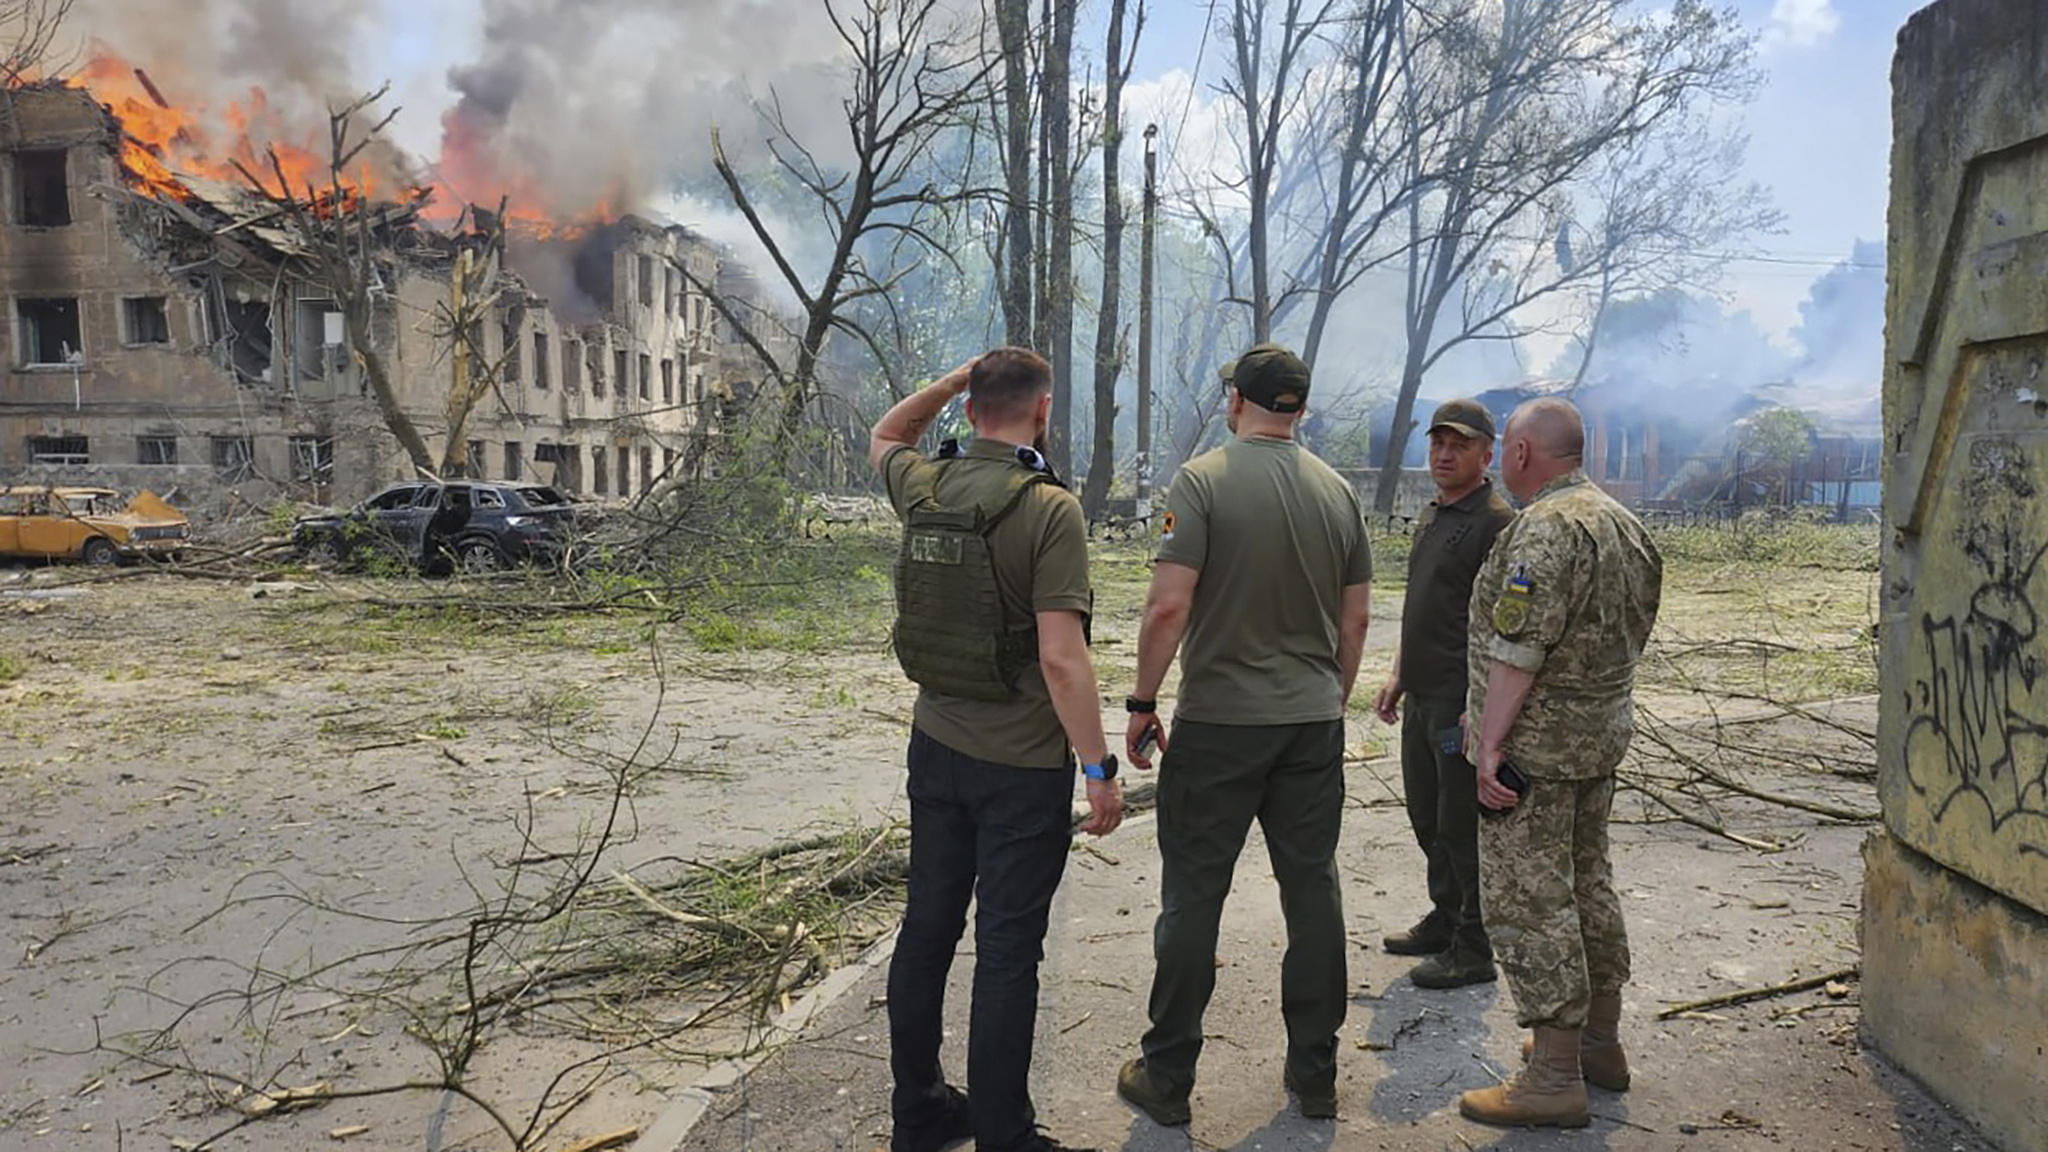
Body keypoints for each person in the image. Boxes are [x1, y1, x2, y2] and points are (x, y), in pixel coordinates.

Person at [870, 348, 1123, 1152]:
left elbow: (886, 434)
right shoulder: (1049, 509)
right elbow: (1062, 659)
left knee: (926, 930)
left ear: (972, 409)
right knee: (1008, 952)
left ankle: (919, 1115)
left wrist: (950, 382)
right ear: (1042, 411)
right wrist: (1098, 769)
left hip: (935, 748)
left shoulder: (926, 483)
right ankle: (1003, 1136)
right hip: (1021, 769)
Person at [1114, 343, 1373, 1126]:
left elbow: (1168, 606)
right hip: (1310, 724)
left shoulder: (1202, 482)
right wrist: (1327, 697)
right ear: (1299, 407)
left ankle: (1168, 1077)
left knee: (1194, 896)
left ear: (1236, 401)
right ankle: (1315, 1073)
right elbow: (1356, 621)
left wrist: (1142, 700)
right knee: (1313, 889)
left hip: (1221, 724)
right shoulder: (1337, 492)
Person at [1457, 396, 1662, 1128]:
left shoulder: (1545, 528)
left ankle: (1551, 1076)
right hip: (1597, 742)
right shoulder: (1625, 524)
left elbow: (1519, 650)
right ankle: (1598, 1044)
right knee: (1587, 884)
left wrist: (1489, 744)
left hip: (1534, 754)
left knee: (1533, 900)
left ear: (1519, 453)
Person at [1374, 399, 1516, 989]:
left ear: (1488, 454)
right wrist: (1399, 673)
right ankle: (1446, 916)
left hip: (1461, 702)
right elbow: (1425, 605)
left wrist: (1480, 708)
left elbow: (1502, 628)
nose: (1445, 455)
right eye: (1438, 443)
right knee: (1427, 815)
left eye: (1460, 445)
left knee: (1461, 826)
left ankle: (1475, 947)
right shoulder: (1434, 514)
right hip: (1423, 694)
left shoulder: (1496, 525)